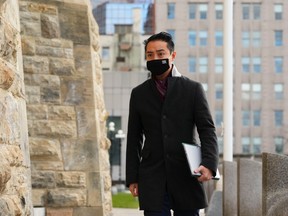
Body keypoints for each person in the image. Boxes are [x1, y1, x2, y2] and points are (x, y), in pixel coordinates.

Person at [125, 32, 219, 216]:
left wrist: (209, 163)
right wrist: (132, 177)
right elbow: (134, 137)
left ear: (172, 55)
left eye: (161, 54)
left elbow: (207, 129)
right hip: (152, 175)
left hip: (186, 172)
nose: (155, 58)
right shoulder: (139, 94)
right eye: (150, 55)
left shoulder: (193, 89)